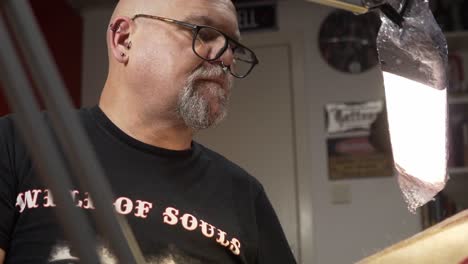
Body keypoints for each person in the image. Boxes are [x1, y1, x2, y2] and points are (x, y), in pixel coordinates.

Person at [0, 0, 296, 263]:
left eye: (233, 46)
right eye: (203, 33)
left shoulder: (244, 195)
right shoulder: (20, 140)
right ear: (123, 39)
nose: (226, 57)